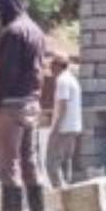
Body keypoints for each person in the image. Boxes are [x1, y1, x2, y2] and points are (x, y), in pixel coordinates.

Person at [0, 0, 49, 211]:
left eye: (0, 8)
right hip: (32, 103)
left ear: (8, 7)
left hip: (11, 104)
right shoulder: (36, 31)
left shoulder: (13, 32)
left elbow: (7, 73)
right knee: (30, 161)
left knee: (9, 163)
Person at [44, 52, 84, 187]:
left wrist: (55, 128)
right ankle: (69, 195)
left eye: (51, 65)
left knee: (51, 164)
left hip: (63, 128)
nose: (49, 68)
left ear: (57, 65)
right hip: (73, 127)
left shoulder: (62, 81)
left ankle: (60, 194)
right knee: (66, 162)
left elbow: (63, 105)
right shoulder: (72, 79)